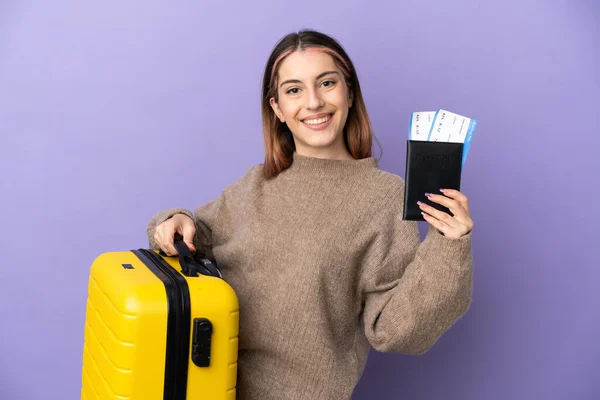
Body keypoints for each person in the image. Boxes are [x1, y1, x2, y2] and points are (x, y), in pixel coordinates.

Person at [147, 30, 474, 400]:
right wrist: (173, 218)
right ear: (277, 109)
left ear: (349, 93)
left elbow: (396, 330)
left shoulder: (384, 197)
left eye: (327, 83)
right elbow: (193, 238)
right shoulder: (257, 182)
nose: (314, 102)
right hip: (206, 390)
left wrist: (449, 245)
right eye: (294, 90)